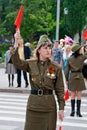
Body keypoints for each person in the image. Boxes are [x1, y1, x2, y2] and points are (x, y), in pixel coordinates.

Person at [12, 32, 65, 130]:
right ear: (39, 50)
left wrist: (61, 108)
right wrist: (16, 43)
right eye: (45, 48)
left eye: (49, 48)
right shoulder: (31, 64)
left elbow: (60, 90)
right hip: (34, 106)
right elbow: (17, 62)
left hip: (49, 107)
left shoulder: (55, 67)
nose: (48, 50)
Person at [65, 44, 87, 117]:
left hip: (72, 77)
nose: (82, 50)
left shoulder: (70, 59)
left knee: (73, 95)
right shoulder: (82, 57)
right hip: (80, 76)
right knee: (79, 95)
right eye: (81, 49)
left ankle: (72, 111)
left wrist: (66, 79)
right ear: (78, 51)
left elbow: (66, 70)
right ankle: (78, 112)